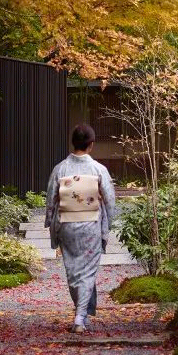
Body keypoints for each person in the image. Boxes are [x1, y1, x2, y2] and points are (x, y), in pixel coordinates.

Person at [45, 124, 116, 333]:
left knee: (74, 270)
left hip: (67, 223)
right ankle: (80, 317)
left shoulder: (61, 169)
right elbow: (110, 201)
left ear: (73, 143)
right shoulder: (98, 169)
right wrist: (108, 222)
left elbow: (51, 199)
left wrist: (50, 222)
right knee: (87, 271)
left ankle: (81, 311)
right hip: (91, 223)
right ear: (91, 145)